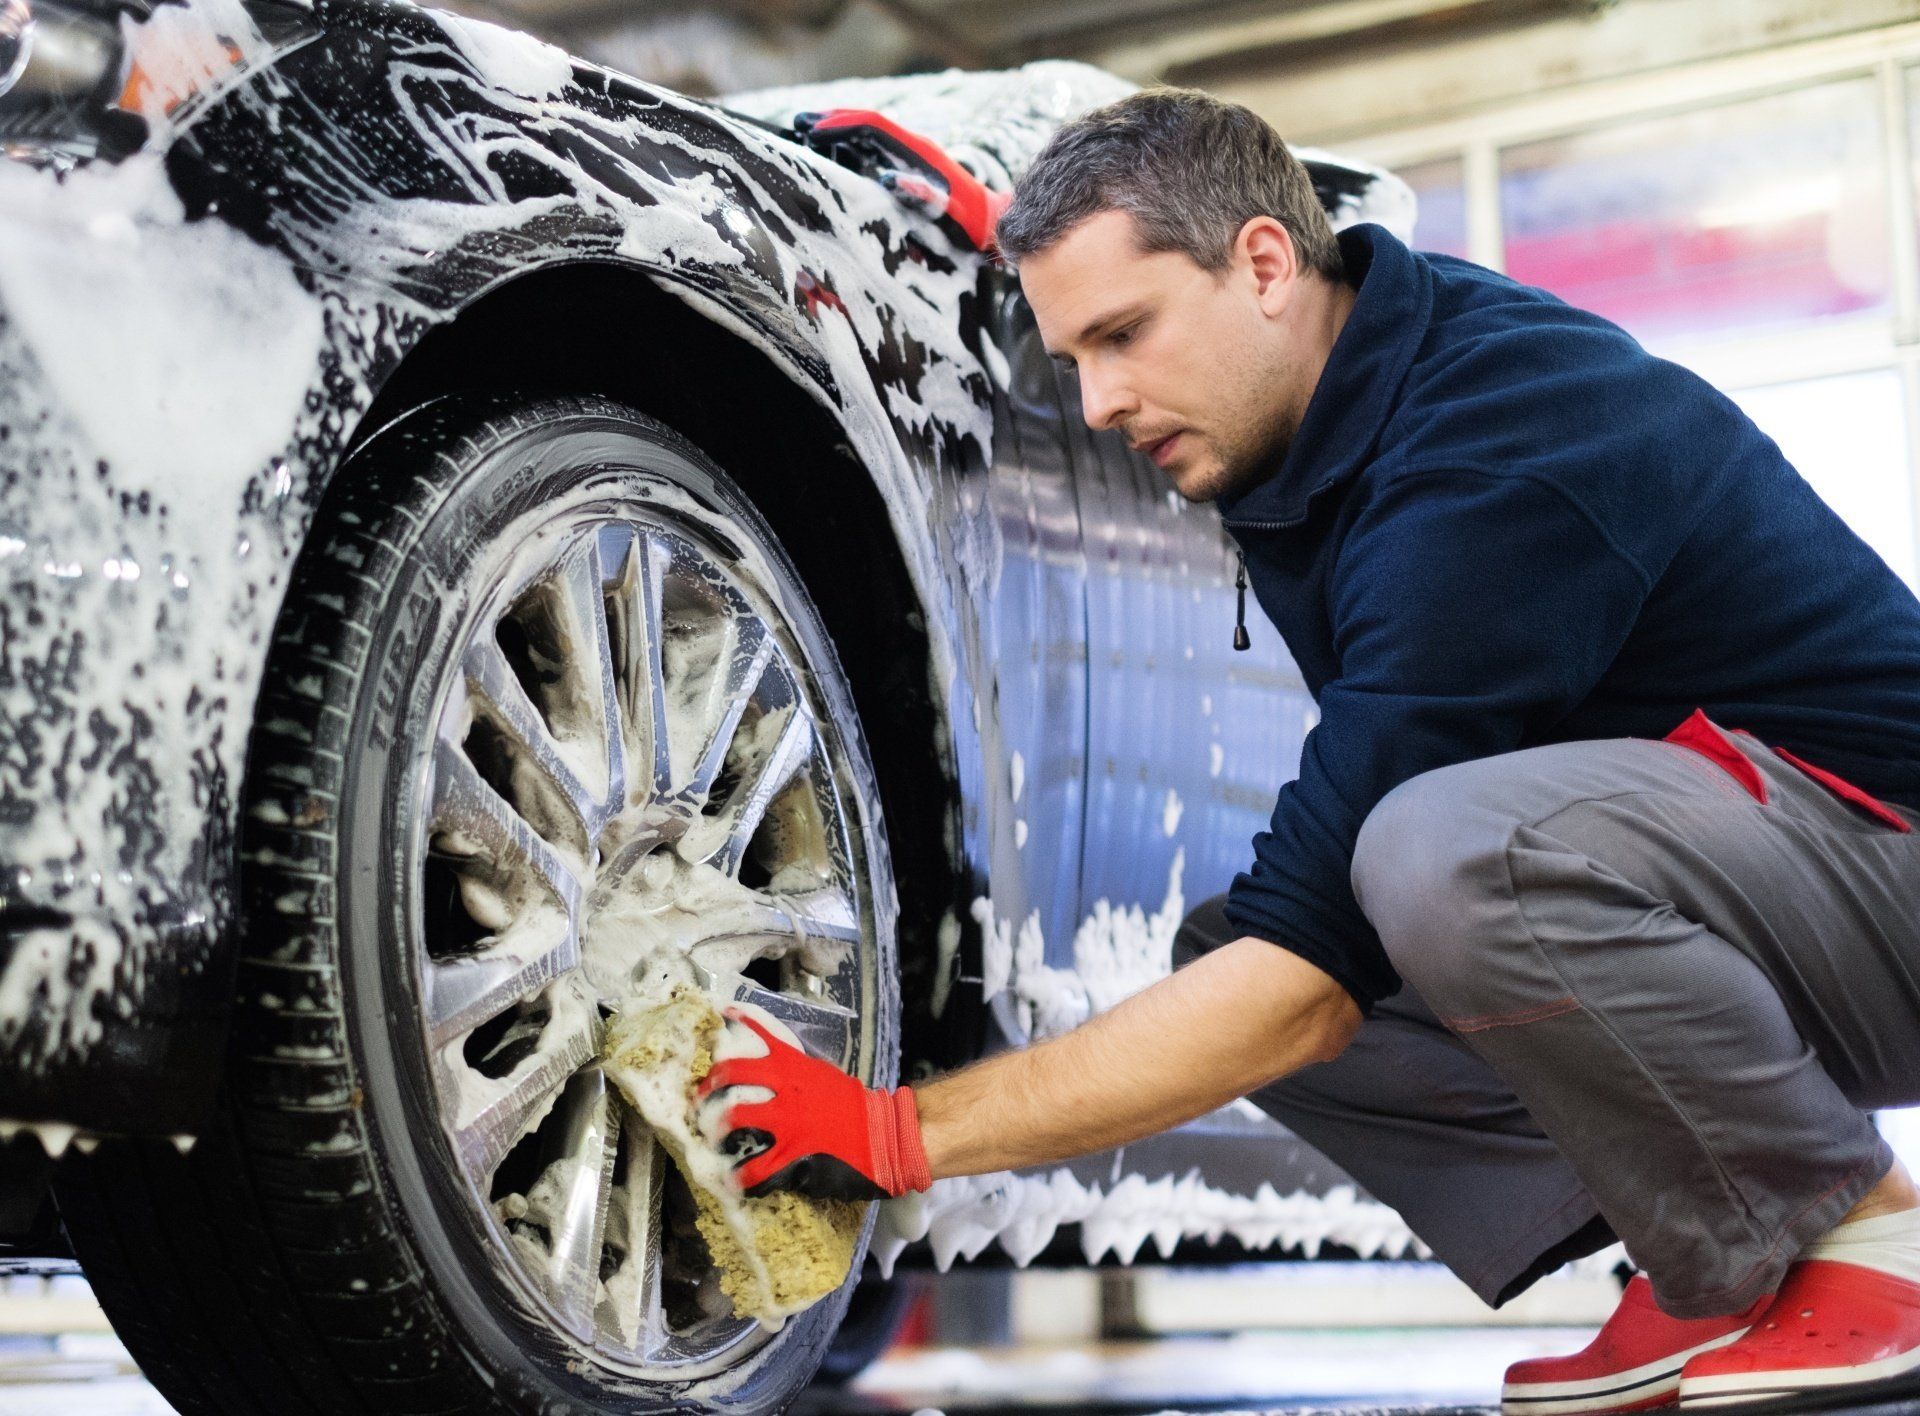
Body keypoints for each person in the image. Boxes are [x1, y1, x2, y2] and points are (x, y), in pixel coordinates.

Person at [699, 89, 1920, 1411]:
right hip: (1778, 899)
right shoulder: (1326, 398)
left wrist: (899, 1131)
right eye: (1073, 361)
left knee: (1439, 862)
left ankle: (1862, 1239)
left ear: (1267, 263)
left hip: (1885, 875)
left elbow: (1311, 976)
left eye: (1124, 335)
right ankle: (1718, 1262)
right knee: (1243, 949)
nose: (1099, 402)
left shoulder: (1491, 448)